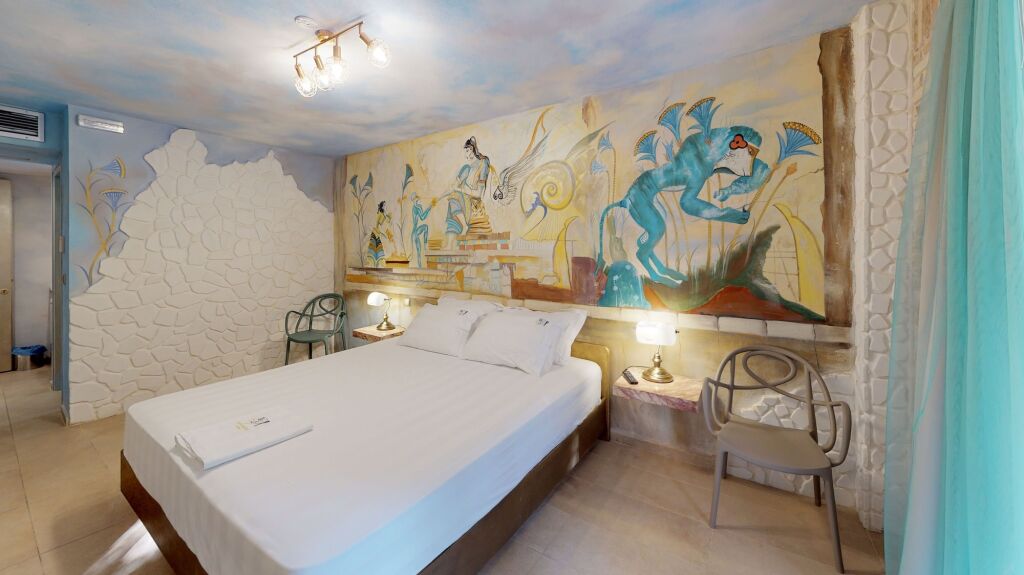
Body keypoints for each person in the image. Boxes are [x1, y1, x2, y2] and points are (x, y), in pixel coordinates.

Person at [444, 137, 492, 248]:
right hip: (464, 199)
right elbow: (453, 187)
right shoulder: (467, 168)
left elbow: (479, 194)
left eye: (466, 150)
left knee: (454, 197)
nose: (466, 154)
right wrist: (438, 198)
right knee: (452, 200)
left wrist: (460, 190)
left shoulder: (483, 163)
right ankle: (450, 244)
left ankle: (461, 231)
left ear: (471, 149)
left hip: (474, 203)